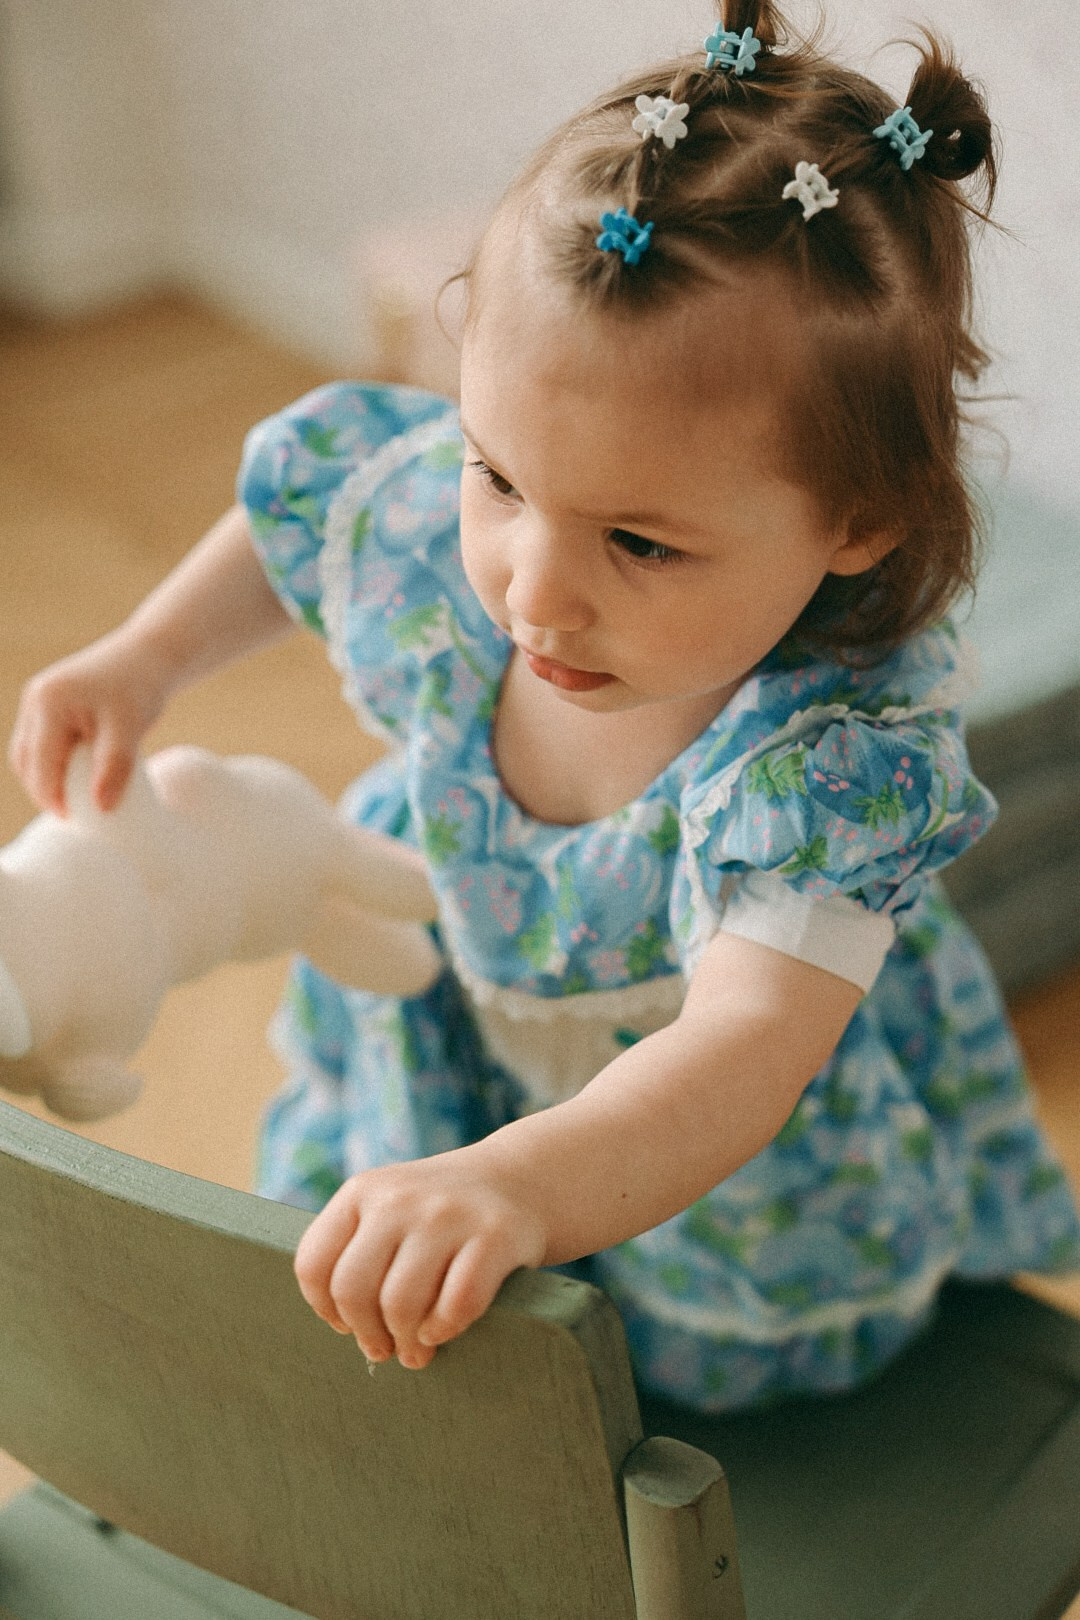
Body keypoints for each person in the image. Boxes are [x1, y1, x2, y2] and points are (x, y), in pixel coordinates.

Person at [9, 0, 1078, 1411]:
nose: (535, 591)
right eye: (497, 478)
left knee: (645, 1397)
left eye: (640, 543)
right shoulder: (489, 537)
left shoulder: (830, 774)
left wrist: (519, 1184)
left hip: (709, 1174)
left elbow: (738, 1052)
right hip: (456, 1021)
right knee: (440, 1331)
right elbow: (312, 510)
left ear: (861, 523)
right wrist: (142, 659)